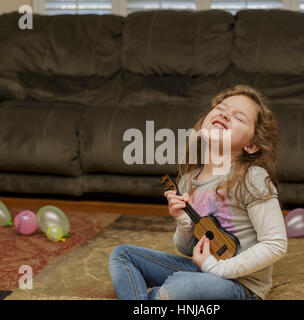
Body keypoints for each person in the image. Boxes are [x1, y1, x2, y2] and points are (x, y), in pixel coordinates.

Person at [109, 84, 288, 300]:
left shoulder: (252, 177)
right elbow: (187, 250)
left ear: (251, 145)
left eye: (239, 117)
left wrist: (219, 269)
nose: (225, 114)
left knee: (180, 285)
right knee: (122, 255)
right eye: (221, 107)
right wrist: (184, 223)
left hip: (242, 285)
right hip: (203, 270)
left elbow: (276, 244)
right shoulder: (187, 181)